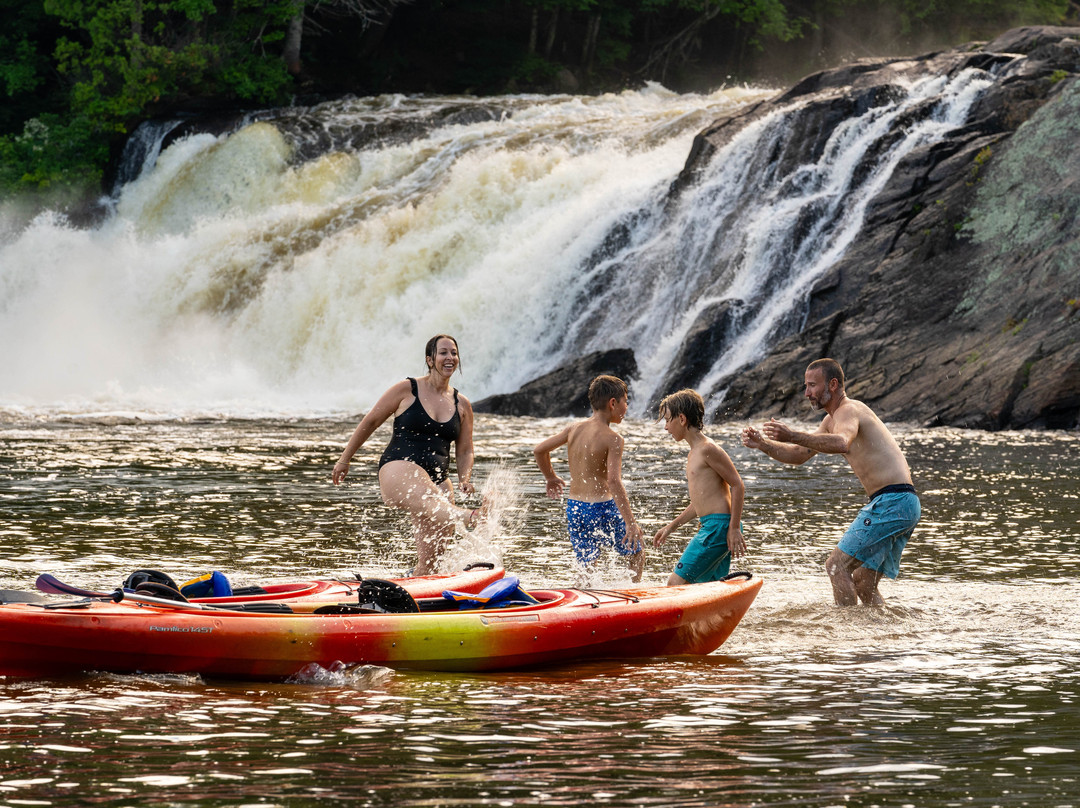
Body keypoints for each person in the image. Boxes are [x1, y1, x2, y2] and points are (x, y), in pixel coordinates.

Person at [741, 358, 921, 606]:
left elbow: (841, 443)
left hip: (894, 500)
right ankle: (884, 635)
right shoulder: (830, 420)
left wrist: (792, 433)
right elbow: (799, 454)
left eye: (812, 385)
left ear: (833, 384)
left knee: (836, 566)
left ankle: (843, 633)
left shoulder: (848, 410)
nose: (806, 393)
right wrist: (763, 444)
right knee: (864, 583)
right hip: (903, 503)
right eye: (806, 386)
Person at [332, 335, 486, 575]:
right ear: (430, 359)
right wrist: (345, 459)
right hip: (399, 467)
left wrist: (464, 479)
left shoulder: (462, 404)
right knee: (433, 498)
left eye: (454, 353)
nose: (450, 358)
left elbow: (465, 449)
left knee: (432, 564)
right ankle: (470, 517)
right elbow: (371, 421)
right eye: (443, 353)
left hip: (439, 477)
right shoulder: (407, 389)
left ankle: (417, 590)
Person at [533, 375, 645, 582]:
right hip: (602, 507)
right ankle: (634, 595)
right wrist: (630, 523)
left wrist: (551, 477)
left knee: (587, 565)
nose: (626, 407)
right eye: (625, 401)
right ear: (613, 403)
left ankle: (584, 601)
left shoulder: (574, 428)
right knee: (637, 550)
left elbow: (539, 450)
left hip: (575, 507)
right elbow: (613, 481)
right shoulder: (614, 439)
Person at [652, 389, 747, 585]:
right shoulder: (694, 453)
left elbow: (737, 485)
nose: (666, 428)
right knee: (707, 586)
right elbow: (699, 503)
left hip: (718, 528)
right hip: (712, 526)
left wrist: (734, 528)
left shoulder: (708, 449)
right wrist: (671, 527)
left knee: (675, 584)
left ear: (682, 419)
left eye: (668, 420)